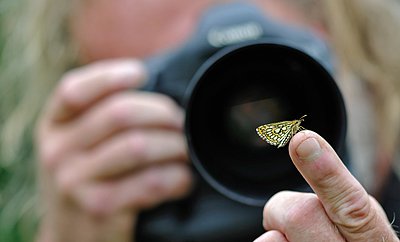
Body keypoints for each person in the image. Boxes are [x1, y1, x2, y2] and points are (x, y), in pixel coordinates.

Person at [0, 0, 400, 241]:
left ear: (343, 33)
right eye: (172, 92)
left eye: (253, 60)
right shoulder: (108, 214)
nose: (248, 118)